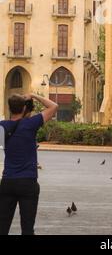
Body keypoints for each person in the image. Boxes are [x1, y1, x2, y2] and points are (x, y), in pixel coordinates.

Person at [0, 93, 58, 235]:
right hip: (28, 182)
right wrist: (33, 95)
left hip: (8, 182)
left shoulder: (2, 126)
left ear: (9, 108)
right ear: (24, 108)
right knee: (27, 228)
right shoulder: (31, 123)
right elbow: (54, 106)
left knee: (2, 226)